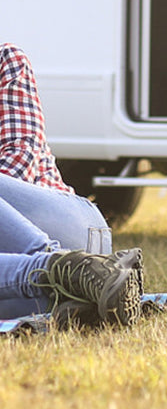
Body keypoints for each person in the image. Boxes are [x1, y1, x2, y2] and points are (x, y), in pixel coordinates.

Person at [0, 43, 142, 326]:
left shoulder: (6, 59)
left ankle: (66, 266)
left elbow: (20, 155)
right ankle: (72, 294)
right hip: (14, 263)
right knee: (32, 304)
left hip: (63, 222)